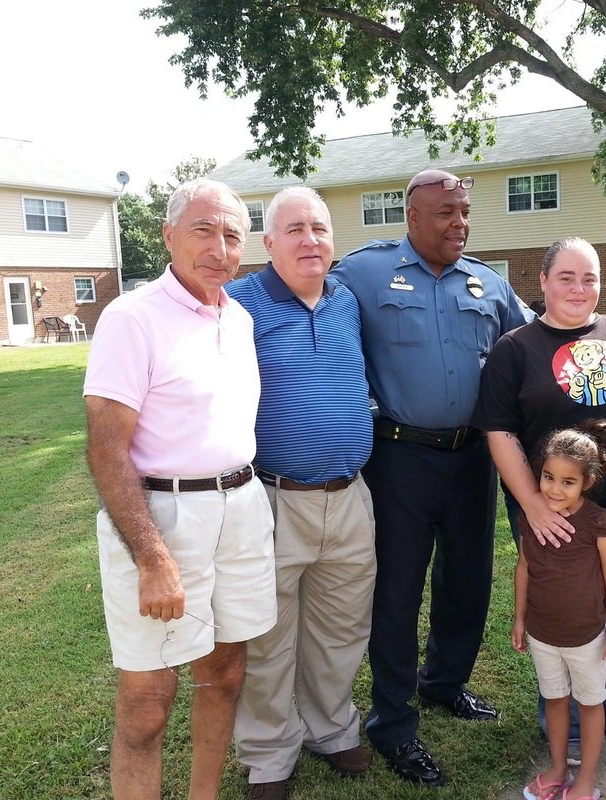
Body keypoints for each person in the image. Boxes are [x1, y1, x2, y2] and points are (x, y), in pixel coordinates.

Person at [330, 169, 532, 786]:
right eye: (446, 212)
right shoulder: (364, 272)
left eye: (465, 212)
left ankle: (445, 683)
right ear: (413, 216)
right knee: (396, 592)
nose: (460, 223)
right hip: (399, 459)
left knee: (468, 580)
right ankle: (392, 722)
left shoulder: (488, 283)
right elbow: (301, 295)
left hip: (474, 457)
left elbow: (539, 339)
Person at [83, 178, 277, 800]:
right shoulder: (132, 318)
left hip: (243, 508)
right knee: (147, 700)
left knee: (224, 670)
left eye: (231, 235)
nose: (219, 248)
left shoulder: (240, 319)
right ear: (167, 235)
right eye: (203, 230)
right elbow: (106, 449)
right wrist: (153, 558)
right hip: (163, 516)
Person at [472, 237, 606, 768]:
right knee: (556, 616)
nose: (579, 288)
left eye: (590, 278)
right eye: (566, 277)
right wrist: (534, 504)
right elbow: (499, 432)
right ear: (542, 281)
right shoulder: (515, 349)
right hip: (549, 518)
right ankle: (572, 732)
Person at [226, 187, 377, 800]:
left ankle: (330, 727)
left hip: (350, 496)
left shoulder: (347, 299)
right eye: (294, 230)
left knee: (341, 626)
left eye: (319, 227)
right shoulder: (238, 304)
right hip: (273, 497)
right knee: (266, 632)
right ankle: (267, 751)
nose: (310, 239)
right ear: (267, 244)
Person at [513, 420, 606, 800]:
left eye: (567, 481)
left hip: (586, 636)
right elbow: (525, 567)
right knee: (555, 699)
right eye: (548, 477)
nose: (555, 489)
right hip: (542, 634)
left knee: (590, 704)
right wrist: (519, 618)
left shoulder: (598, 522)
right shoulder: (530, 514)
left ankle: (586, 780)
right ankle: (559, 769)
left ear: (587, 482)